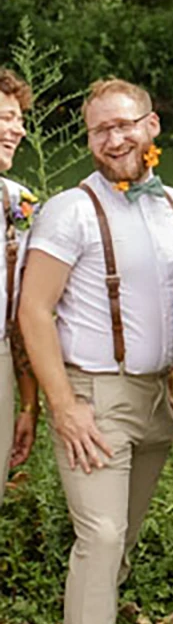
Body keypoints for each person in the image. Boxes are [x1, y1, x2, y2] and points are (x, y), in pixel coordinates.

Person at [19, 78, 173, 624]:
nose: (113, 138)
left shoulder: (171, 202)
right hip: (92, 397)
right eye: (99, 130)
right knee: (102, 537)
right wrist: (63, 405)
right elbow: (33, 311)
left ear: (152, 125)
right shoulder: (69, 211)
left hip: (154, 398)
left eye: (124, 124)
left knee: (122, 542)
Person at [0, 68, 39, 498]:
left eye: (19, 119)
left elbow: (26, 314)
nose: (18, 129)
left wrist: (28, 403)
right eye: (6, 117)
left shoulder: (20, 204)